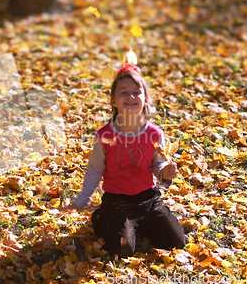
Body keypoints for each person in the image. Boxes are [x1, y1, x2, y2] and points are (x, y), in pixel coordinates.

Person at [59, 62, 186, 258]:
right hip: (118, 203)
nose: (131, 97)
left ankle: (139, 225)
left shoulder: (154, 134)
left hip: (148, 200)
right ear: (113, 101)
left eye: (136, 92)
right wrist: (81, 200)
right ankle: (103, 218)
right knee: (123, 251)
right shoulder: (106, 135)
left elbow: (157, 163)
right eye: (123, 92)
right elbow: (94, 170)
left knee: (177, 242)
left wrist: (164, 171)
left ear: (145, 99)